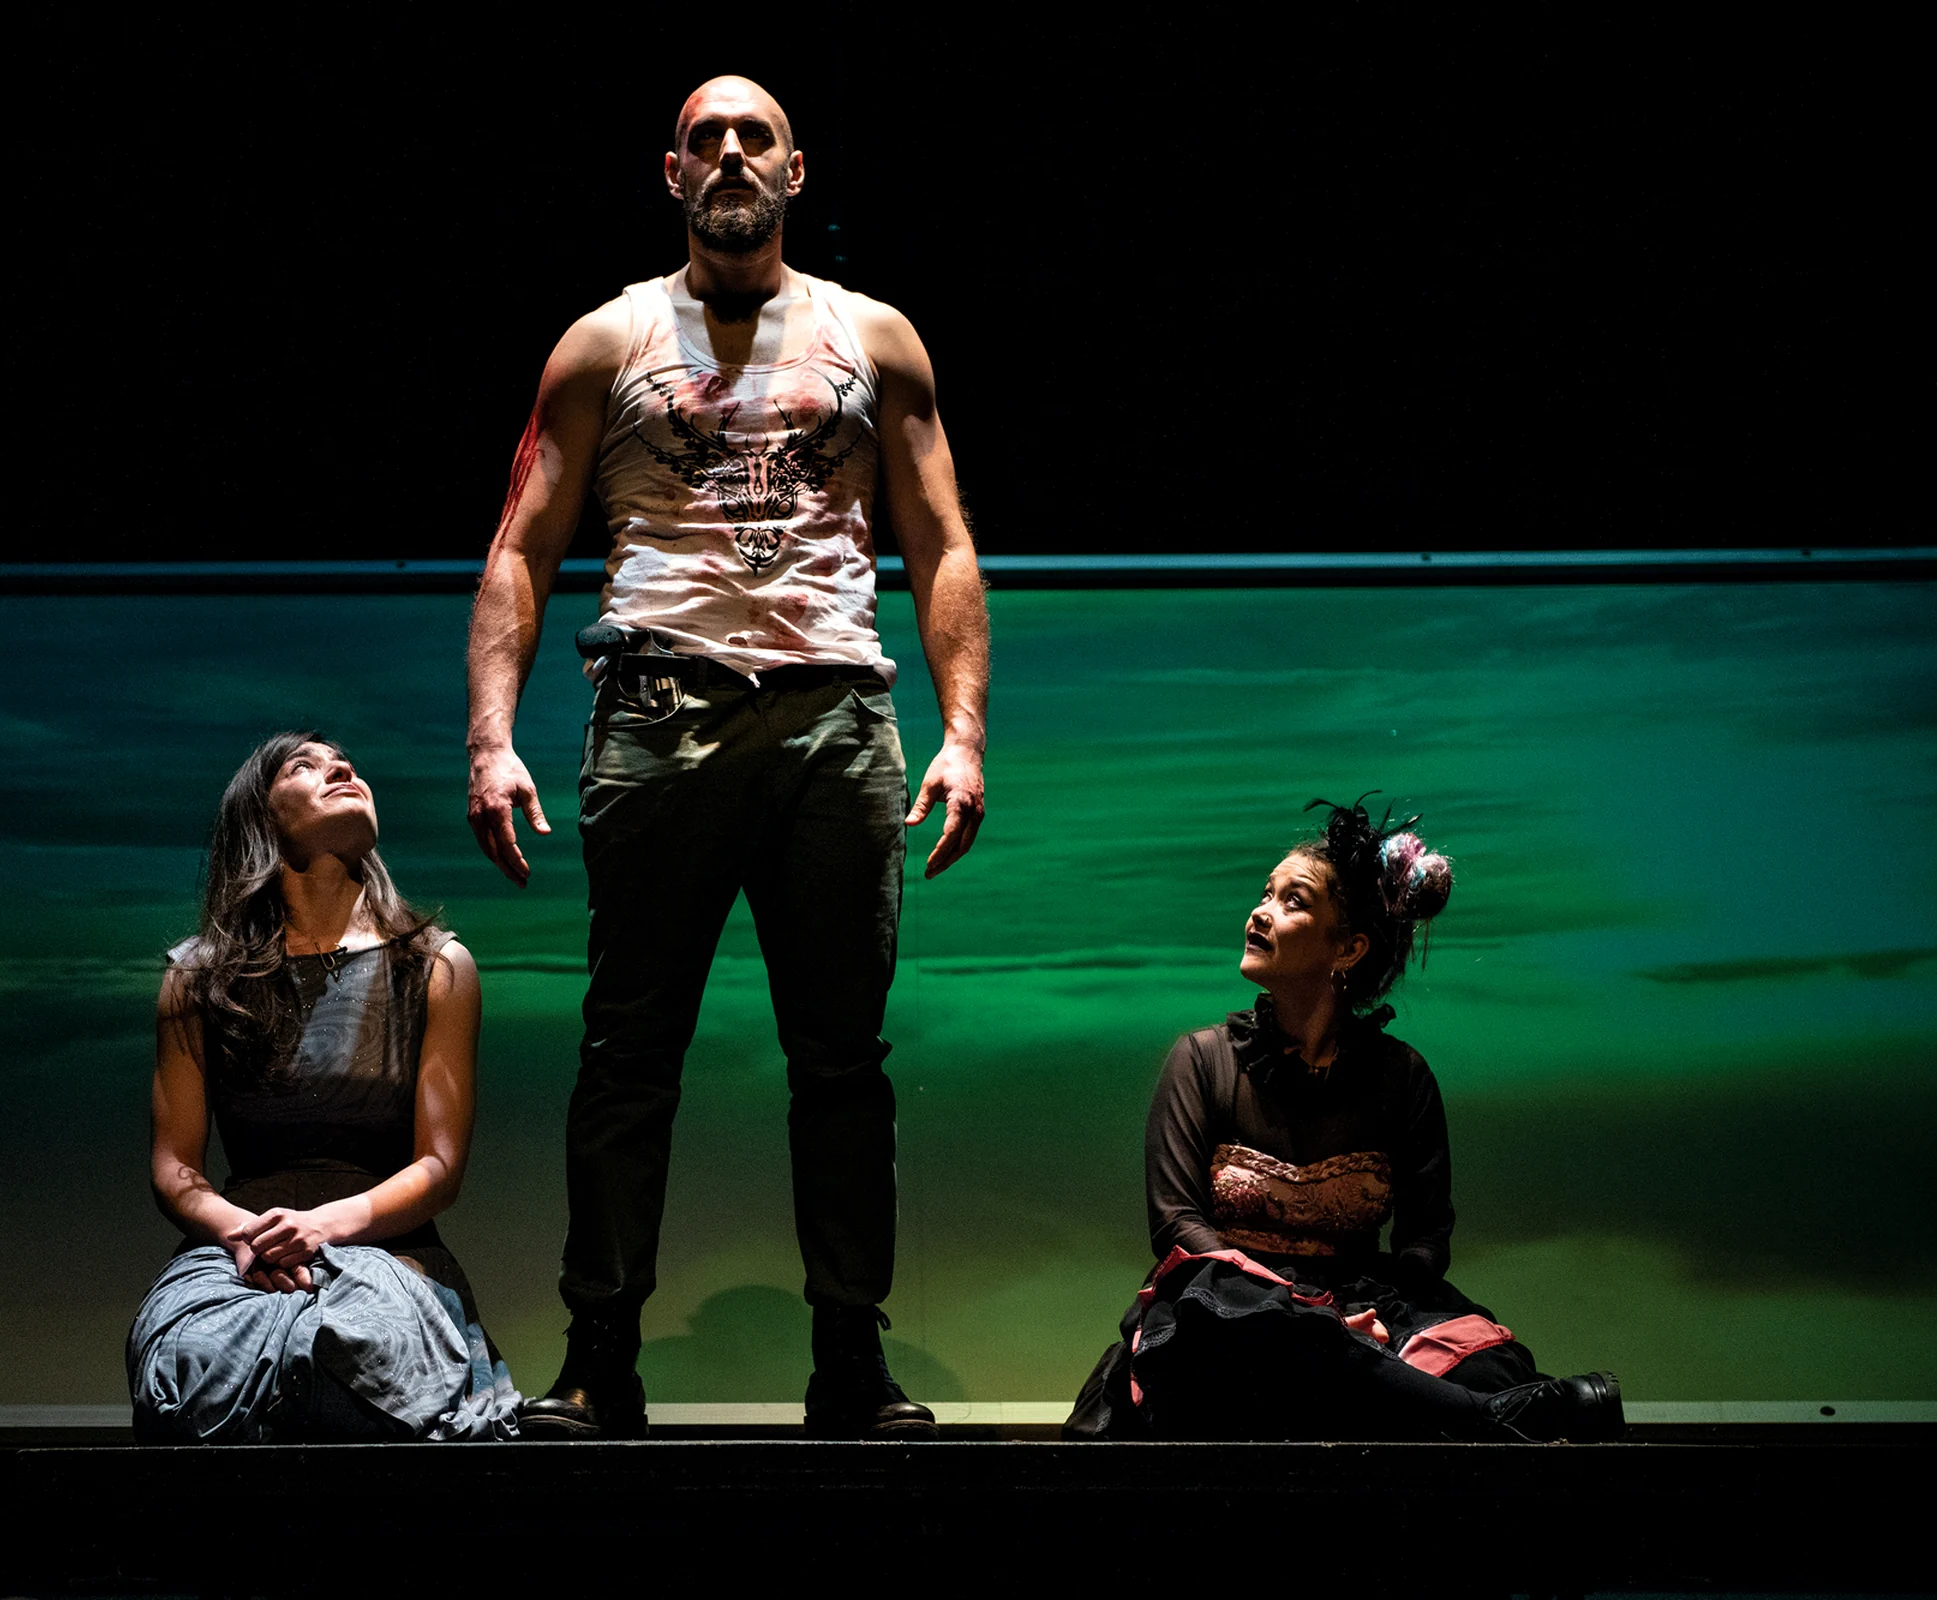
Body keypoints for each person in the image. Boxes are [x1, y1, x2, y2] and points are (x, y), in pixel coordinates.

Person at [464, 75, 990, 1439]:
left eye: (757, 138)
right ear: (673, 171)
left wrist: (963, 733)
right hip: (661, 710)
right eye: (709, 138)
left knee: (842, 1058)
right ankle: (599, 1357)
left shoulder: (876, 337)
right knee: (627, 1050)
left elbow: (940, 541)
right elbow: (523, 545)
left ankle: (849, 1359)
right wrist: (491, 738)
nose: (734, 155)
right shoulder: (606, 341)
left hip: (833, 719)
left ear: (796, 171)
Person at [1066, 796, 1623, 1442]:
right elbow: (1176, 1227)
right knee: (1235, 1333)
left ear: (1349, 947)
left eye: (1292, 901)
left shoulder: (1402, 1078)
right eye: (1265, 894)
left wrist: (1371, 1315)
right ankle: (1493, 1419)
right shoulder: (1202, 1061)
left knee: (1483, 1363)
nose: (1260, 911)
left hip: (1362, 1300)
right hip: (1237, 1303)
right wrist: (1308, 1316)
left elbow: (1424, 1236)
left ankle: (1408, 1382)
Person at [127, 732, 519, 1442]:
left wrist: (322, 1228)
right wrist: (243, 1233)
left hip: (387, 1248)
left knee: (365, 1351)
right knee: (197, 1365)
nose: (340, 767)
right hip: (242, 1252)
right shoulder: (196, 978)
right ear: (259, 816)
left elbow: (439, 1166)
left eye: (345, 762)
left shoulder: (435, 967)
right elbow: (174, 1167)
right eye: (303, 766)